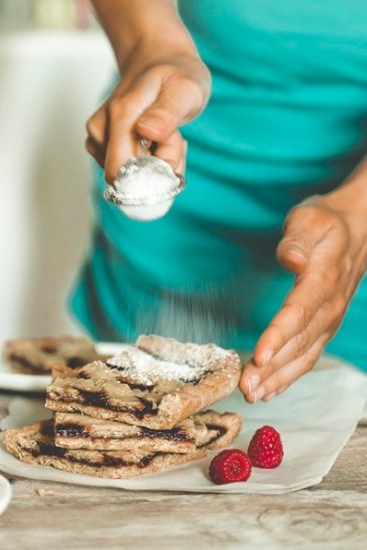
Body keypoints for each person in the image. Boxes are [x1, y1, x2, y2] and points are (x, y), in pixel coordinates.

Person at [70, 0, 367, 403]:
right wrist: (151, 47)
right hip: (171, 216)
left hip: (351, 234)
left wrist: (358, 215)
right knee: (127, 426)